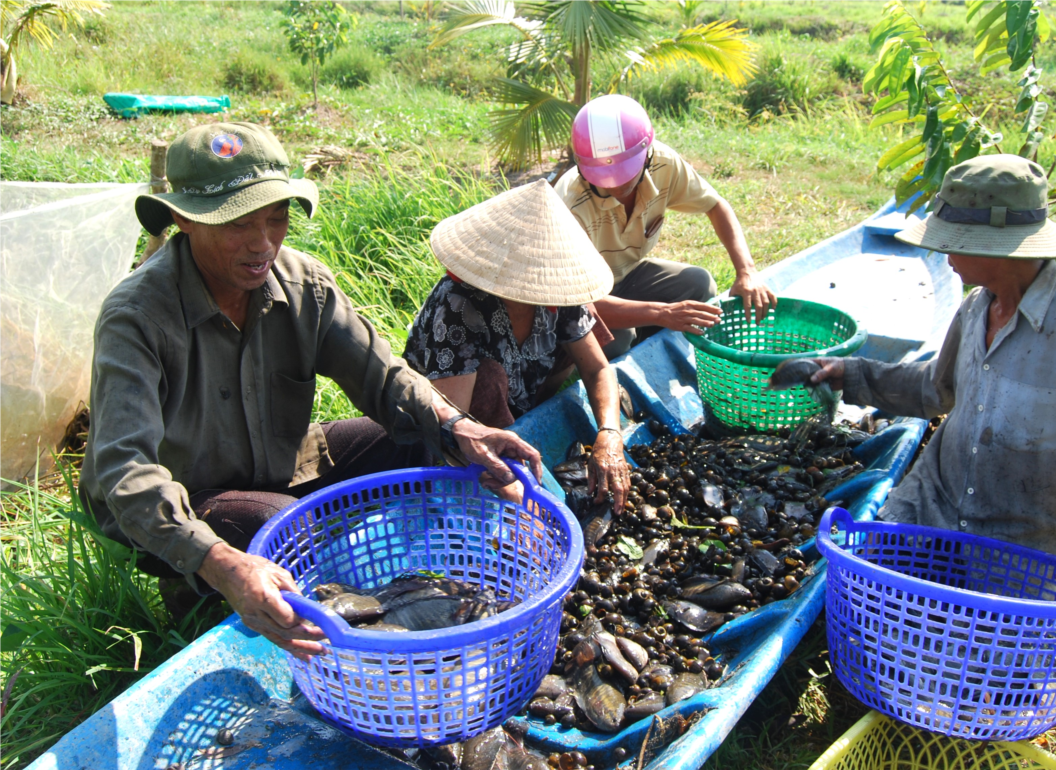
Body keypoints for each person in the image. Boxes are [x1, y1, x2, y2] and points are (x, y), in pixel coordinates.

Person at [80, 122, 542, 657]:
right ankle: (203, 588)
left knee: (427, 435)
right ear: (185, 219)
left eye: (276, 219)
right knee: (280, 526)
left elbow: (384, 376)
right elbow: (124, 472)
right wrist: (222, 562)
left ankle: (421, 591)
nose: (263, 243)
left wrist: (458, 427)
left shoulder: (303, 284)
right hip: (190, 497)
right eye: (240, 225)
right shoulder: (135, 317)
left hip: (285, 461)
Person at [802, 154, 1056, 582]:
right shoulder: (976, 308)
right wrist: (849, 374)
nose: (943, 256)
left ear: (995, 248)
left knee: (984, 642)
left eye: (952, 242)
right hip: (934, 510)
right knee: (860, 599)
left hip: (1026, 548)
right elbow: (935, 390)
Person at [404, 180, 630, 511]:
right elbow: (454, 423)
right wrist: (516, 490)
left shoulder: (560, 287)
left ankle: (527, 423)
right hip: (454, 410)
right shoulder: (459, 303)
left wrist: (609, 433)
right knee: (489, 377)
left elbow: (596, 367)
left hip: (524, 389)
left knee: (586, 335)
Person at [554, 94, 777, 359]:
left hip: (625, 277)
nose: (615, 185)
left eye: (626, 175)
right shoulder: (568, 204)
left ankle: (653, 352)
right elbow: (576, 303)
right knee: (615, 338)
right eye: (605, 178)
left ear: (646, 153)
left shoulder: (663, 163)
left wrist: (747, 271)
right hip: (578, 298)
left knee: (699, 284)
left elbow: (715, 205)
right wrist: (662, 313)